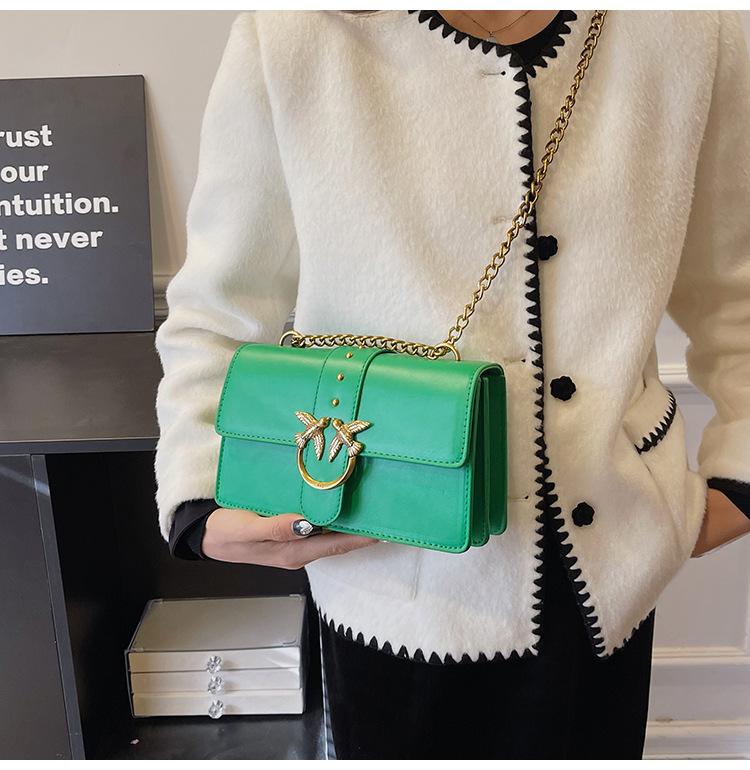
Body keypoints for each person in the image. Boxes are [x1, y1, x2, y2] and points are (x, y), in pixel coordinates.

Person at [154, 10, 750, 759]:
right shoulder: (294, 36)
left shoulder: (689, 33)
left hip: (609, 562)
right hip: (386, 561)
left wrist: (742, 478)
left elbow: (735, 287)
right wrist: (199, 493)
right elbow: (219, 306)